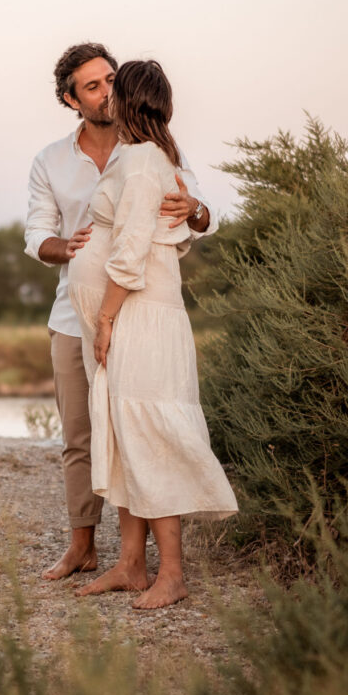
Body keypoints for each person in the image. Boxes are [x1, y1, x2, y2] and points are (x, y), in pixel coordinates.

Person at [24, 42, 217, 581]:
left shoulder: (151, 153)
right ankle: (86, 547)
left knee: (135, 427)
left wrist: (195, 210)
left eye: (110, 79)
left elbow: (192, 215)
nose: (105, 90)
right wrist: (67, 248)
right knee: (83, 436)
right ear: (71, 99)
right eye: (92, 85)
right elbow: (36, 232)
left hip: (129, 312)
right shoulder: (52, 160)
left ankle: (148, 564)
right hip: (72, 315)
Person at [67, 59, 238, 609]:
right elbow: (162, 234)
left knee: (148, 437)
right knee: (124, 431)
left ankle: (173, 574)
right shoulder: (145, 157)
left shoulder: (142, 162)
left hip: (139, 319)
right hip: (140, 316)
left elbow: (135, 248)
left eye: (115, 86)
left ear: (128, 101)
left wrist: (108, 318)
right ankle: (131, 564)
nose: (107, 94)